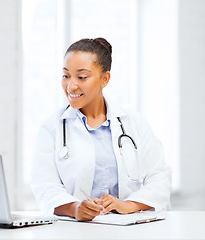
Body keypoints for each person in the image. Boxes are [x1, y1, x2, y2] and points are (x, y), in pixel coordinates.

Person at [30, 37, 172, 221]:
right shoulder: (51, 128)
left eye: (82, 77)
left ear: (104, 79)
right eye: (66, 75)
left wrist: (128, 205)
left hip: (131, 228)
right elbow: (45, 186)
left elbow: (159, 176)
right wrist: (75, 208)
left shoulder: (133, 123)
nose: (71, 85)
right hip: (77, 230)